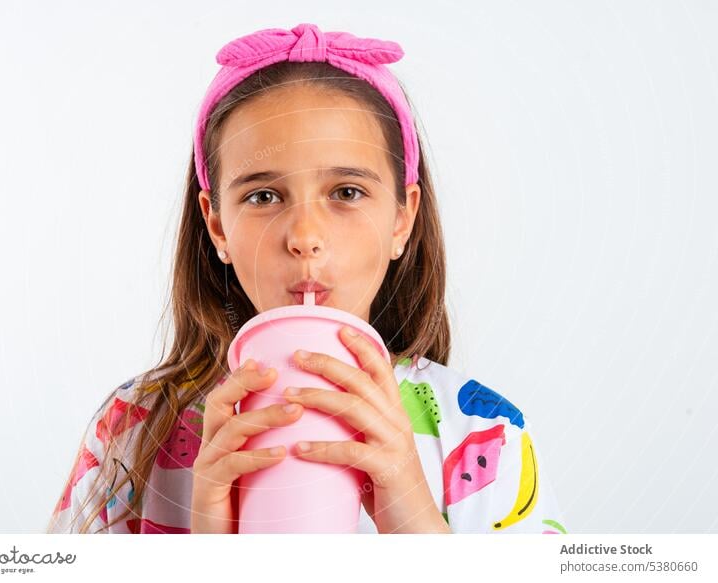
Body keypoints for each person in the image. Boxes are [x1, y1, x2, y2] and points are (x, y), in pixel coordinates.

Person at [46, 22, 568, 535]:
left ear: (401, 219)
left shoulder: (485, 433)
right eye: (263, 196)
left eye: (346, 193)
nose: (304, 235)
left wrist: (417, 529)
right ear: (217, 225)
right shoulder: (131, 430)